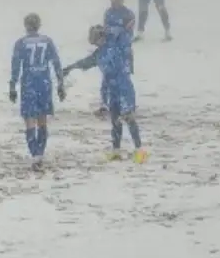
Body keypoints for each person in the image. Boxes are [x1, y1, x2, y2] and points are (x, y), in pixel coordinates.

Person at [65, 24, 144, 161]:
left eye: (97, 39)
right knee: (115, 120)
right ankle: (116, 150)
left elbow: (123, 34)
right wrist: (70, 68)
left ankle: (139, 150)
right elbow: (85, 62)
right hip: (111, 88)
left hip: (123, 86)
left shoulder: (116, 46)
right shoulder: (99, 53)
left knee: (129, 117)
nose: (96, 43)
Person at [9, 13, 65, 171]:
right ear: (39, 25)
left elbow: (15, 66)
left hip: (29, 84)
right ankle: (39, 154)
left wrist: (12, 86)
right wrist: (60, 83)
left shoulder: (20, 43)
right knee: (42, 120)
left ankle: (34, 154)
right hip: (44, 83)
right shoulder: (47, 41)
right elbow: (56, 63)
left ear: (25, 25)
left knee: (29, 120)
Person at [97, 0, 137, 116]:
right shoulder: (108, 13)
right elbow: (106, 30)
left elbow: (127, 33)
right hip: (110, 50)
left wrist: (114, 31)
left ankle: (130, 105)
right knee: (107, 77)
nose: (112, 2)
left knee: (125, 79)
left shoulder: (128, 14)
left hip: (123, 50)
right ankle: (104, 104)